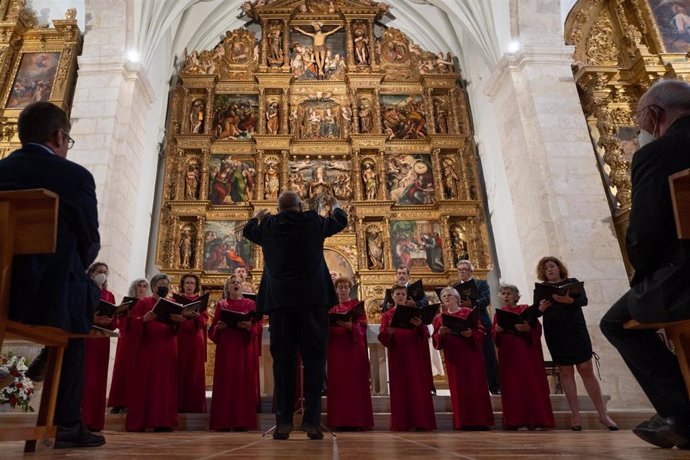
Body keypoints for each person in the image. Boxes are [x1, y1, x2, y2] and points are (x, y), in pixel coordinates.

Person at [0, 101, 102, 449]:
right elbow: (90, 243)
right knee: (81, 299)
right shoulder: (73, 176)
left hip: (2, 290)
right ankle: (66, 424)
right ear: (60, 136)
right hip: (45, 300)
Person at [600, 79, 690, 449]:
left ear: (653, 116)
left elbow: (645, 233)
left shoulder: (657, 152)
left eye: (639, 120)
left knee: (617, 322)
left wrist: (643, 272)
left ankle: (681, 415)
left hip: (684, 273)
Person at [242, 190, 347, 440]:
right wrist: (336, 205)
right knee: (314, 360)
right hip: (313, 300)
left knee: (283, 361)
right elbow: (340, 221)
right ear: (300, 206)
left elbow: (248, 232)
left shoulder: (268, 225)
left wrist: (256, 217)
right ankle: (311, 423)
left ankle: (283, 423)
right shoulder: (312, 221)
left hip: (281, 302)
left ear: (279, 209)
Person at [536, 256, 618, 431]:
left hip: (575, 329)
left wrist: (569, 301)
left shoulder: (572, 283)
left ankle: (603, 415)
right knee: (565, 371)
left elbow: (584, 301)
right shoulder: (542, 289)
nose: (549, 270)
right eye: (546, 269)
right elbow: (536, 311)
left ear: (559, 268)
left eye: (552, 266)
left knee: (586, 368)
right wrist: (540, 309)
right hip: (555, 332)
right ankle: (576, 416)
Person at [125, 273, 183, 432]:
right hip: (149, 347)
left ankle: (163, 421)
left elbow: (176, 328)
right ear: (153, 287)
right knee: (146, 383)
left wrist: (179, 321)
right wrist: (143, 319)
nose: (164, 287)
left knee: (165, 384)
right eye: (161, 284)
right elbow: (131, 324)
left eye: (166, 284)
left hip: (168, 346)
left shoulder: (172, 303)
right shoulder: (144, 302)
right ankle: (140, 422)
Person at [493, 284, 554, 430]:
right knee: (514, 387)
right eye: (503, 293)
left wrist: (527, 329)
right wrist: (497, 331)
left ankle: (538, 420)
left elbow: (536, 330)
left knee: (531, 385)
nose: (506, 296)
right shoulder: (499, 313)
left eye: (509, 293)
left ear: (515, 296)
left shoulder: (526, 309)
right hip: (509, 356)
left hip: (527, 354)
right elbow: (495, 337)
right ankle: (516, 421)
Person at [433, 287, 493, 430]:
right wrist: (441, 333)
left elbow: (480, 330)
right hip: (453, 356)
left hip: (471, 354)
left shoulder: (467, 313)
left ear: (457, 298)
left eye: (450, 295)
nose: (447, 298)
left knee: (476, 385)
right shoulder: (439, 318)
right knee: (459, 388)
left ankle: (481, 421)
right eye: (444, 296)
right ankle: (463, 422)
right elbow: (436, 339)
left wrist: (471, 333)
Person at [378, 284, 437, 431]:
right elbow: (383, 337)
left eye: (403, 294)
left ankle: (420, 422)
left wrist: (419, 326)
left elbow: (425, 335)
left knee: (417, 387)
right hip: (397, 354)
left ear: (406, 296)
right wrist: (389, 332)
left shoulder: (414, 312)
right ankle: (402, 423)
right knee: (400, 388)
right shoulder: (387, 315)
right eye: (397, 294)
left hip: (414, 353)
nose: (400, 296)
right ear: (392, 296)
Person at [209, 275, 262, 430]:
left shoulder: (251, 304)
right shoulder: (222, 304)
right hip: (226, 348)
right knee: (226, 382)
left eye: (238, 282)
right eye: (233, 283)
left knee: (242, 382)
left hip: (243, 348)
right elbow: (213, 329)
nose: (236, 284)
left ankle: (241, 421)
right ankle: (223, 422)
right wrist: (219, 327)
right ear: (228, 288)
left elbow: (257, 326)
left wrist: (249, 327)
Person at [326, 277, 374, 430]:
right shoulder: (331, 307)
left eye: (346, 287)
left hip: (353, 349)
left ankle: (357, 421)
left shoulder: (356, 305)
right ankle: (338, 421)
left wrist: (350, 326)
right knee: (338, 384)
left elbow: (363, 325)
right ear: (336, 289)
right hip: (336, 350)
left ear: (350, 289)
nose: (343, 290)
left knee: (355, 383)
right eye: (340, 287)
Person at [452, 260, 500, 395]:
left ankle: (494, 386)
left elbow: (486, 300)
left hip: (481, 321)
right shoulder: (454, 287)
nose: (461, 272)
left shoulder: (481, 284)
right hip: (464, 324)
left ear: (471, 272)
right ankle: (473, 387)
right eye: (459, 270)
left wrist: (471, 304)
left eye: (464, 269)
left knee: (488, 355)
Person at [81, 262, 117, 432]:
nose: (102, 275)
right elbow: (78, 311)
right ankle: (82, 419)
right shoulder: (84, 289)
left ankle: (94, 421)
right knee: (85, 379)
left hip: (102, 341)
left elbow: (115, 320)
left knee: (98, 380)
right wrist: (92, 318)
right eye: (99, 271)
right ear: (91, 273)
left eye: (105, 272)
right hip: (86, 337)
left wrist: (111, 320)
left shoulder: (109, 295)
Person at [108, 278, 148, 413]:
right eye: (139, 286)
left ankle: (133, 401)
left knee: (137, 370)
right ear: (134, 288)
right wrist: (127, 316)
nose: (142, 289)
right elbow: (120, 321)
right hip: (127, 338)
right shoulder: (127, 302)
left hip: (141, 339)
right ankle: (118, 402)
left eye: (144, 286)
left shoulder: (148, 303)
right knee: (122, 368)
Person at [176, 273, 208, 413]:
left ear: (196, 286)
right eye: (187, 283)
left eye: (192, 283)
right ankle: (178, 404)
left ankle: (193, 405)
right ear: (182, 284)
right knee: (178, 369)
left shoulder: (200, 302)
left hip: (195, 338)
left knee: (194, 370)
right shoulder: (175, 300)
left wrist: (197, 316)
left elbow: (205, 321)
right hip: (179, 337)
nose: (189, 285)